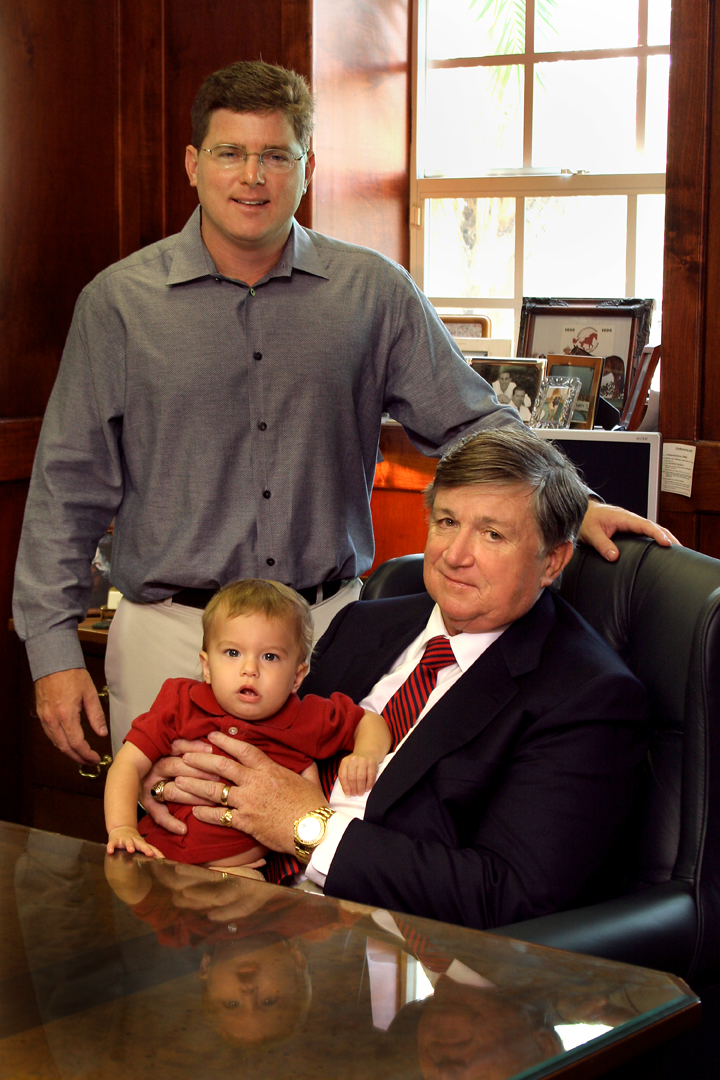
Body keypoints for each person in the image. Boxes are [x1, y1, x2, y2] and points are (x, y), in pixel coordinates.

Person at [12, 59, 677, 768]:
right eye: (230, 152)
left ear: (309, 168)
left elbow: (472, 423)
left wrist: (570, 505)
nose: (252, 176)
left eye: (276, 155)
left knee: (328, 854)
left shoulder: (373, 293)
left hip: (329, 636)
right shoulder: (117, 304)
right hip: (173, 639)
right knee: (171, 861)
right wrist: (53, 653)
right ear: (192, 163)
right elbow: (66, 490)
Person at [143, 427, 649, 931]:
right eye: (447, 521)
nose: (455, 555)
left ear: (553, 561)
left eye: (493, 534)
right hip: (221, 897)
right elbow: (267, 735)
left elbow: (508, 894)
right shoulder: (363, 624)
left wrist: (307, 829)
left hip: (388, 957)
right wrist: (173, 775)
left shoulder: (586, 697)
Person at [105, 580, 390, 866]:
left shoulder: (310, 717)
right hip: (157, 855)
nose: (250, 669)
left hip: (238, 877)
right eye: (232, 653)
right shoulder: (179, 702)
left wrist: (365, 753)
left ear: (297, 677)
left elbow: (370, 722)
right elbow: (127, 764)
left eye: (270, 656)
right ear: (206, 666)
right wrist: (123, 828)